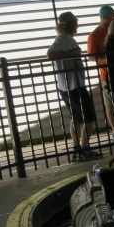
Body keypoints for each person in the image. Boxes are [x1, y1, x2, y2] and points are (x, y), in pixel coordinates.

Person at [47, 12, 101, 162]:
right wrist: (73, 53)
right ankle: (84, 149)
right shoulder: (64, 38)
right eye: (75, 23)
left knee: (76, 118)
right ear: (70, 25)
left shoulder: (65, 38)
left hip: (68, 85)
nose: (77, 26)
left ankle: (77, 149)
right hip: (73, 85)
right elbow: (50, 54)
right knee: (89, 118)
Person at [87, 5, 114, 139]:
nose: (113, 21)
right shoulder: (94, 36)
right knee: (110, 103)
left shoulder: (113, 32)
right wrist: (107, 59)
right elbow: (90, 56)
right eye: (112, 18)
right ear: (104, 18)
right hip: (106, 73)